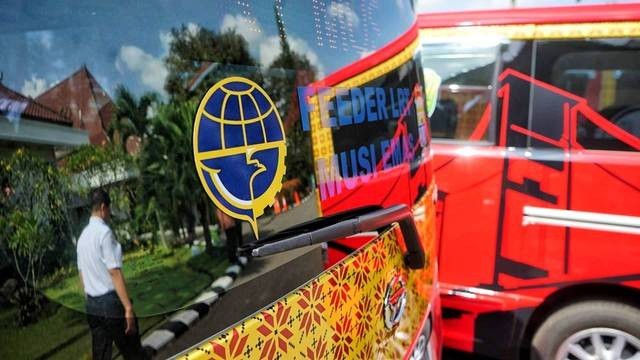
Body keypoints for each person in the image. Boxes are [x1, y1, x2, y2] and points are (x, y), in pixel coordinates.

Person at [77, 189, 146, 360]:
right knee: (133, 352)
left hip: (92, 306)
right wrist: (128, 308)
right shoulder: (104, 233)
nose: (109, 213)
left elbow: (81, 274)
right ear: (102, 207)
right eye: (108, 209)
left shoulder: (82, 238)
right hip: (111, 304)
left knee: (101, 355)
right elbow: (114, 271)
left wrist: (91, 300)